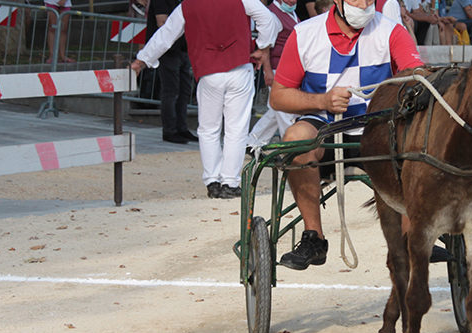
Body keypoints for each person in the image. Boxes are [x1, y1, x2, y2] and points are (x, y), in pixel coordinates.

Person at [269, 0, 424, 270]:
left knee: (414, 140)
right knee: (295, 138)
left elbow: (416, 75)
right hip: (324, 125)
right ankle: (313, 237)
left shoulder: (392, 32)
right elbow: (278, 96)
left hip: (377, 131)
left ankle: (411, 237)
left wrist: (417, 77)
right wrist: (323, 102)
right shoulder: (305, 33)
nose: (364, 5)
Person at [130, 0, 281, 199]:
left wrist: (142, 60)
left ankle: (212, 181)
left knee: (208, 128)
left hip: (208, 71)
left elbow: (166, 35)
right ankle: (230, 181)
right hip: (239, 66)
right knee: (236, 128)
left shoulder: (188, 5)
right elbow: (269, 20)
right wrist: (263, 46)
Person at [246, 0, 303, 151]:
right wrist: (268, 71)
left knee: (275, 111)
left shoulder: (289, 12)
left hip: (288, 68)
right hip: (278, 68)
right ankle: (290, 146)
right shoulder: (272, 14)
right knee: (285, 109)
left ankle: (253, 142)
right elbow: (266, 47)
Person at [147, 0, 200, 145]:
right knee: (171, 91)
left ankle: (181, 128)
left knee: (183, 90)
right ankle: (170, 130)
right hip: (169, 51)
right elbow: (162, 23)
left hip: (182, 48)